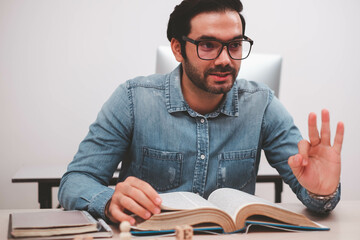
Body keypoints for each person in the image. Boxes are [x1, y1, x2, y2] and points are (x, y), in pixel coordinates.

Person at [58, 0, 344, 225]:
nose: (225, 59)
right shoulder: (133, 99)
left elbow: (314, 195)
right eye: (208, 45)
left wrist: (321, 192)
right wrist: (108, 200)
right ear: (177, 48)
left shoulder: (262, 104)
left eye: (234, 45)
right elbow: (75, 181)